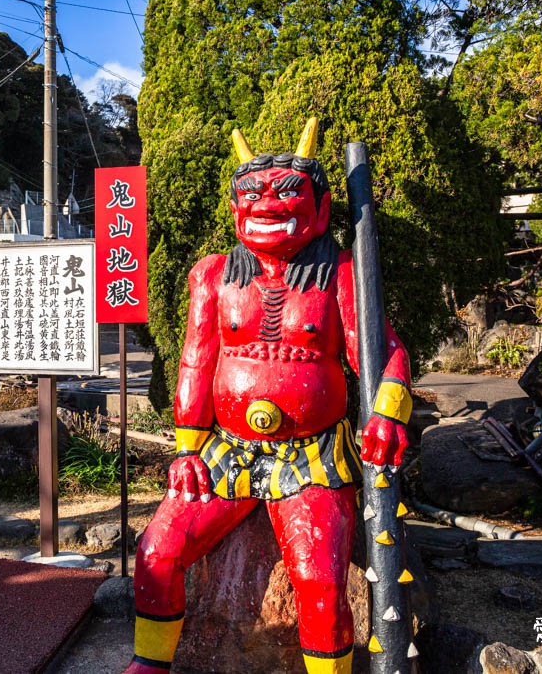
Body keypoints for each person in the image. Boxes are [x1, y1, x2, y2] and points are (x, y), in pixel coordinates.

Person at [124, 119, 412, 674]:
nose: (267, 204)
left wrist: (387, 412)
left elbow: (384, 353)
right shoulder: (211, 276)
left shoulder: (341, 276)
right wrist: (187, 449)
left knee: (321, 583)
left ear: (321, 208)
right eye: (252, 194)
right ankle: (150, 663)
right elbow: (195, 362)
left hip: (312, 456)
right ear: (235, 209)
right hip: (225, 452)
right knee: (157, 550)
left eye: (286, 192)